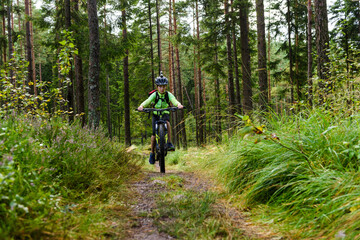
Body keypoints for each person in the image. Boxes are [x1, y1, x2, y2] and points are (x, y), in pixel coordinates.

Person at [138, 72, 184, 164]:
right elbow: (148, 101)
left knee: (167, 123)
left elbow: (174, 100)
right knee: (154, 134)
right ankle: (152, 153)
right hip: (155, 114)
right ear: (157, 87)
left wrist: (178, 105)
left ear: (165, 86)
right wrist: (141, 106)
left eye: (163, 86)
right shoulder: (155, 95)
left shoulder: (168, 94)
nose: (162, 88)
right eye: (160, 86)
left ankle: (169, 142)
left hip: (165, 113)